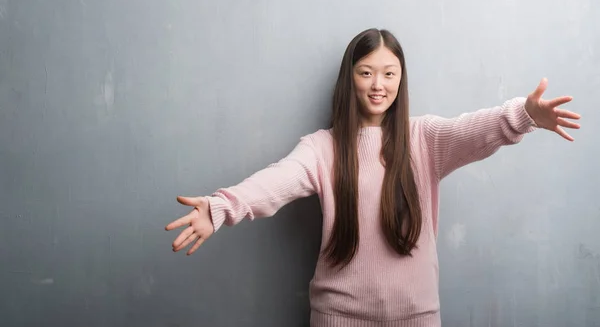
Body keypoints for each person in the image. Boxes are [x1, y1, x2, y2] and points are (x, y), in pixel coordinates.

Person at [165, 28, 580, 326]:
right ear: (350, 78)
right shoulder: (321, 148)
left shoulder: (425, 138)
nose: (378, 85)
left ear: (401, 79)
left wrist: (524, 115)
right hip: (337, 317)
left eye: (389, 73)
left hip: (416, 317)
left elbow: (475, 129)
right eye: (366, 72)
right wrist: (222, 207)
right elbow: (274, 182)